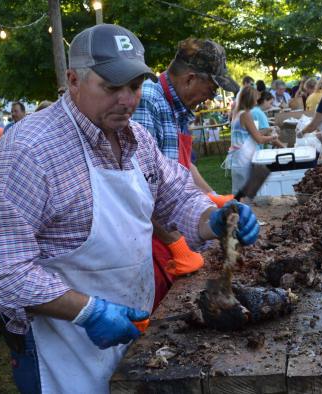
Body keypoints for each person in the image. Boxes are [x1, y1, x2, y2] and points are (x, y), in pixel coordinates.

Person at [0, 24, 260, 393]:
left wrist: (215, 219)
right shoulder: (29, 150)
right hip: (61, 342)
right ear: (74, 80)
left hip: (131, 327)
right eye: (111, 87)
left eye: (135, 87)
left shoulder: (137, 139)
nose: (127, 100)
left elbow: (177, 198)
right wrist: (86, 311)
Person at [132, 38, 238, 309]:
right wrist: (174, 242)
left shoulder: (177, 111)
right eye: (212, 88)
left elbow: (183, 168)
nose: (212, 97)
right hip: (149, 242)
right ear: (191, 78)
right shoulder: (148, 103)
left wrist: (214, 199)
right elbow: (136, 190)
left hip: (170, 229)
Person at [226, 86, 283, 193]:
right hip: (245, 158)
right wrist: (273, 136)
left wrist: (269, 130)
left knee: (238, 191)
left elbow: (250, 134)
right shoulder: (246, 115)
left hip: (237, 157)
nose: (257, 101)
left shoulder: (236, 113)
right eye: (255, 98)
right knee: (248, 192)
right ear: (250, 99)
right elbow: (259, 139)